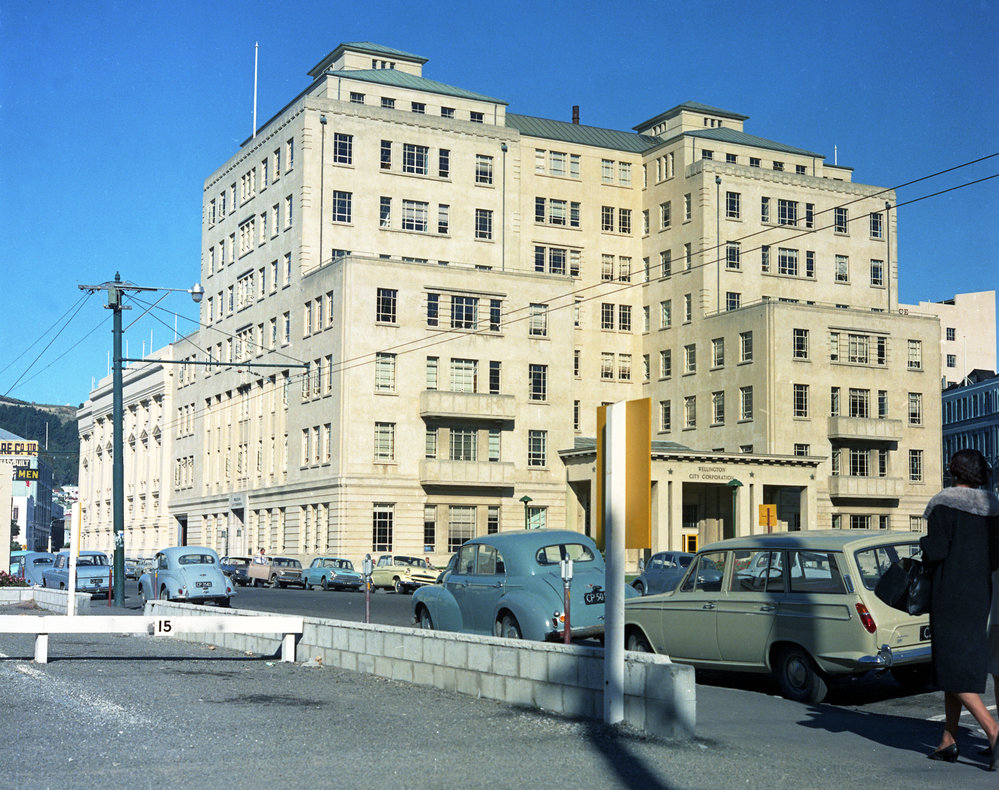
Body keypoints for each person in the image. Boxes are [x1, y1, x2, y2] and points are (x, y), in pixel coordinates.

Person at [920, 448, 999, 768]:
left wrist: (923, 545)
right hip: (980, 594)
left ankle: (993, 730)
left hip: (949, 594)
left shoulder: (943, 504)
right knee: (958, 664)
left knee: (949, 665)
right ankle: (948, 739)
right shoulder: (993, 507)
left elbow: (936, 551)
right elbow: (996, 557)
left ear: (954, 471)